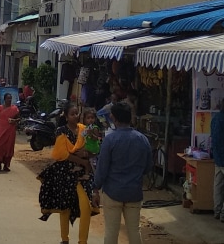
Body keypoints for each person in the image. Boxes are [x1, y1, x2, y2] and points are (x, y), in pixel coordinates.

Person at [92, 101, 152, 244]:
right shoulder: (142, 139)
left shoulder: (110, 140)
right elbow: (148, 168)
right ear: (130, 117)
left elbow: (102, 169)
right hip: (134, 192)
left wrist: (95, 188)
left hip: (113, 193)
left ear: (113, 117)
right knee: (134, 231)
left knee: (111, 232)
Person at [37, 101, 93, 244]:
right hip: (65, 172)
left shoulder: (84, 129)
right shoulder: (61, 131)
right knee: (65, 207)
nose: (76, 116)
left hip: (82, 174)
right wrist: (81, 160)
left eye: (77, 113)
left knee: (86, 206)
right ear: (67, 117)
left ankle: (83, 241)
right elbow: (62, 153)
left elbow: (93, 148)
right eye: (73, 114)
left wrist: (87, 153)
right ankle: (64, 239)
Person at [0, 92, 19, 172]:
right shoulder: (0, 108)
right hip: (1, 130)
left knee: (9, 147)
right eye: (8, 98)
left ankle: (6, 165)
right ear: (4, 99)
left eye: (10, 98)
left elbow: (19, 118)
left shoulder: (14, 108)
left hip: (10, 130)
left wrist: (14, 120)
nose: (9, 100)